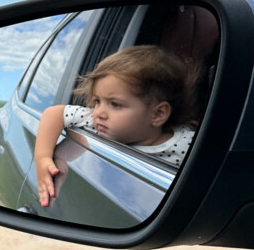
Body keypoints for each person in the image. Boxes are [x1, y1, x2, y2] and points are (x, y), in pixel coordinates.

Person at [34, 45, 200, 207]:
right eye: (97, 101)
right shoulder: (95, 121)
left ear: (158, 114)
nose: (98, 112)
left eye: (114, 104)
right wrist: (42, 158)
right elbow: (53, 113)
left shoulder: (189, 146)